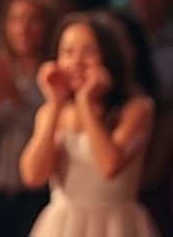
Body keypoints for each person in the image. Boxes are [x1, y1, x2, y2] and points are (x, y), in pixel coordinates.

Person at [20, 12, 158, 236]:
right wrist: (55, 104)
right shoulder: (51, 112)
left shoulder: (137, 108)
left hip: (116, 225)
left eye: (89, 51)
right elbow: (33, 176)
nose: (76, 61)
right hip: (63, 226)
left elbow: (109, 165)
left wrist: (85, 102)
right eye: (68, 52)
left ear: (109, 56)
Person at [0, 0, 60, 236]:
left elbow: (52, 137)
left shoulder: (55, 79)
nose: (23, 28)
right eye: (16, 19)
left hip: (38, 196)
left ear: (49, 25)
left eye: (34, 20)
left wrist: (17, 101)